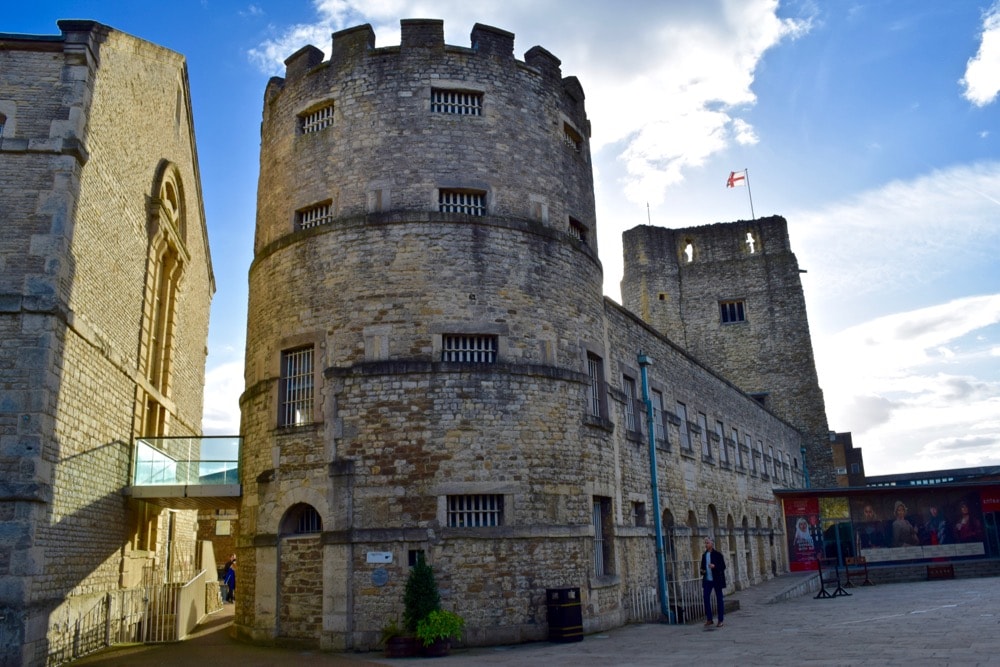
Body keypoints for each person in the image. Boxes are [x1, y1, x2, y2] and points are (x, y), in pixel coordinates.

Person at [700, 536, 727, 628]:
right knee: (706, 598)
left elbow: (723, 567)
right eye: (705, 543)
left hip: (716, 580)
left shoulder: (718, 555)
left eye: (707, 543)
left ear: (712, 544)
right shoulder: (704, 555)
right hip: (707, 580)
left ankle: (720, 620)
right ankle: (709, 619)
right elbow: (702, 568)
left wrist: (714, 566)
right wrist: (702, 571)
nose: (706, 544)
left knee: (719, 599)